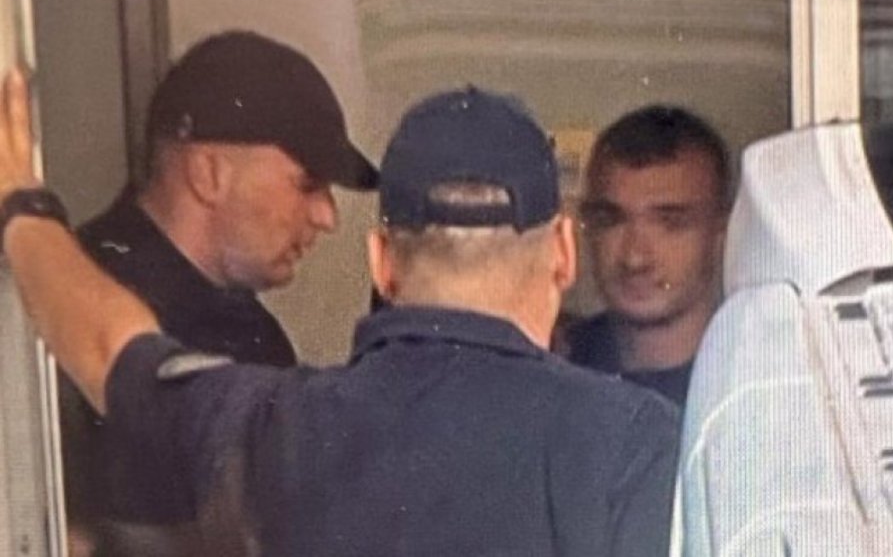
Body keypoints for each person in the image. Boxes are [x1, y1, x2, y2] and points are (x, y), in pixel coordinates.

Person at [0, 74, 679, 556]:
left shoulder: (276, 429)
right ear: (563, 251)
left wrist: (20, 209)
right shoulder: (637, 445)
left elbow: (108, 348)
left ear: (381, 262)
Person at [62, 31, 378, 555]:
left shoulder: (243, 328)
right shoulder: (72, 313)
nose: (328, 216)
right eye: (307, 184)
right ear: (208, 173)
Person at [561, 105, 732, 406]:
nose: (635, 258)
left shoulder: (757, 375)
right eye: (611, 220)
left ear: (722, 230)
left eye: (671, 223)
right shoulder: (551, 367)